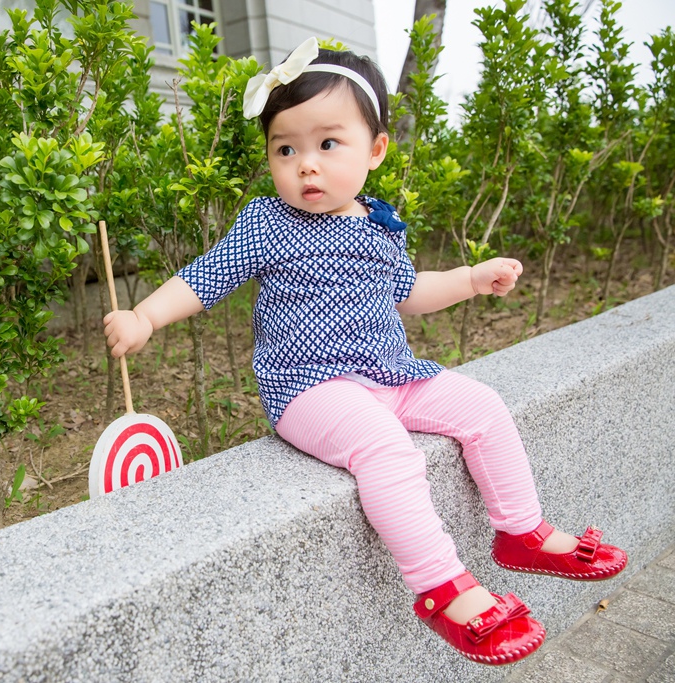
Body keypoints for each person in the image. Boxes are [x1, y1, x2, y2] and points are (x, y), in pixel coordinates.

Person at [102, 37, 627, 665]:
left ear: (375, 149)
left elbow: (407, 291)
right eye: (285, 149)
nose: (306, 165)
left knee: (483, 407)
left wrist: (468, 279)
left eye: (327, 144)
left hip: (391, 372)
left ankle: (523, 532)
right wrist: (144, 316)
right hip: (309, 388)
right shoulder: (270, 223)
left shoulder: (378, 222)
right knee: (384, 447)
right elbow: (206, 276)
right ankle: (442, 585)